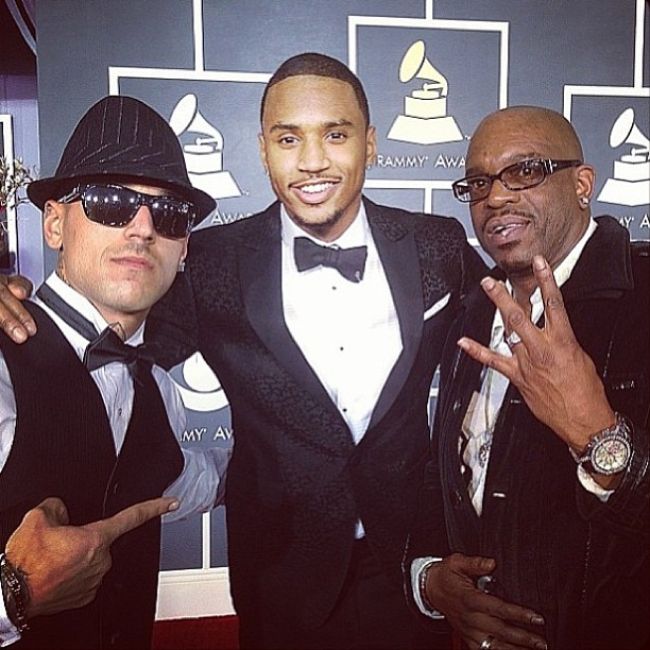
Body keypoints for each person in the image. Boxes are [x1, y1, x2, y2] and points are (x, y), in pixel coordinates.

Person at [0, 53, 486, 649]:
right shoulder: (207, 263)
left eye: (335, 134)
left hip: (417, 570)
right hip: (281, 580)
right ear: (262, 150)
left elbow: (514, 317)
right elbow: (109, 318)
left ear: (372, 143)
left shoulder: (437, 245)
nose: (312, 161)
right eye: (289, 138)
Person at [406, 106, 650, 650]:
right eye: (478, 183)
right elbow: (445, 471)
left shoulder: (643, 300)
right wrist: (431, 578)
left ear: (582, 184)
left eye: (526, 171)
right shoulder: (470, 309)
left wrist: (598, 436)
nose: (495, 197)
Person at [0, 95, 228, 649]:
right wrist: (11, 596)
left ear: (184, 248)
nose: (144, 227)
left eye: (169, 213)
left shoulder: (155, 383)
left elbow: (182, 480)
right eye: (110, 202)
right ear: (55, 222)